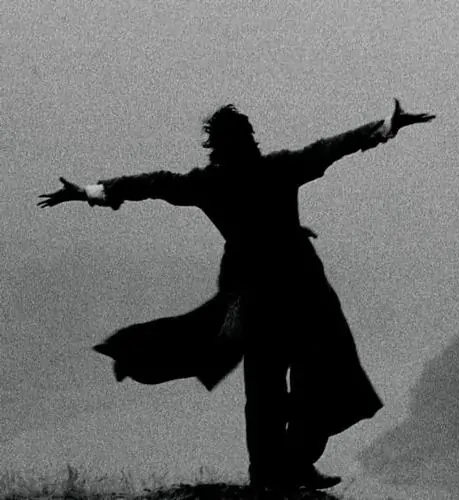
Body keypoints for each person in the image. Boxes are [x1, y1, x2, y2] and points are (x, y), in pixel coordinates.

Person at [38, 98, 435, 491]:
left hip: (253, 300)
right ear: (250, 140)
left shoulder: (210, 183)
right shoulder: (278, 168)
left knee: (264, 388)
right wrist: (386, 126)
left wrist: (88, 191)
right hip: (301, 296)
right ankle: (293, 463)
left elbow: (152, 184)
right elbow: (331, 147)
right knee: (315, 378)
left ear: (215, 147)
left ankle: (269, 473)